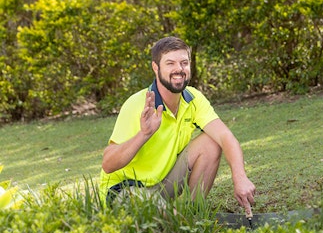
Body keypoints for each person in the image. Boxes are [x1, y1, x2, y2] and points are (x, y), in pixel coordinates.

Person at [99, 36, 255, 215]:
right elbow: (108, 164)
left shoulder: (193, 98)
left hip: (163, 183)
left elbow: (225, 137)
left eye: (184, 62)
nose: (178, 69)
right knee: (174, 224)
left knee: (211, 143)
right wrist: (144, 134)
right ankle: (178, 219)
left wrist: (240, 177)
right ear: (155, 68)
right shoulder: (137, 104)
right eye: (170, 63)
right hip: (126, 189)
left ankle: (192, 212)